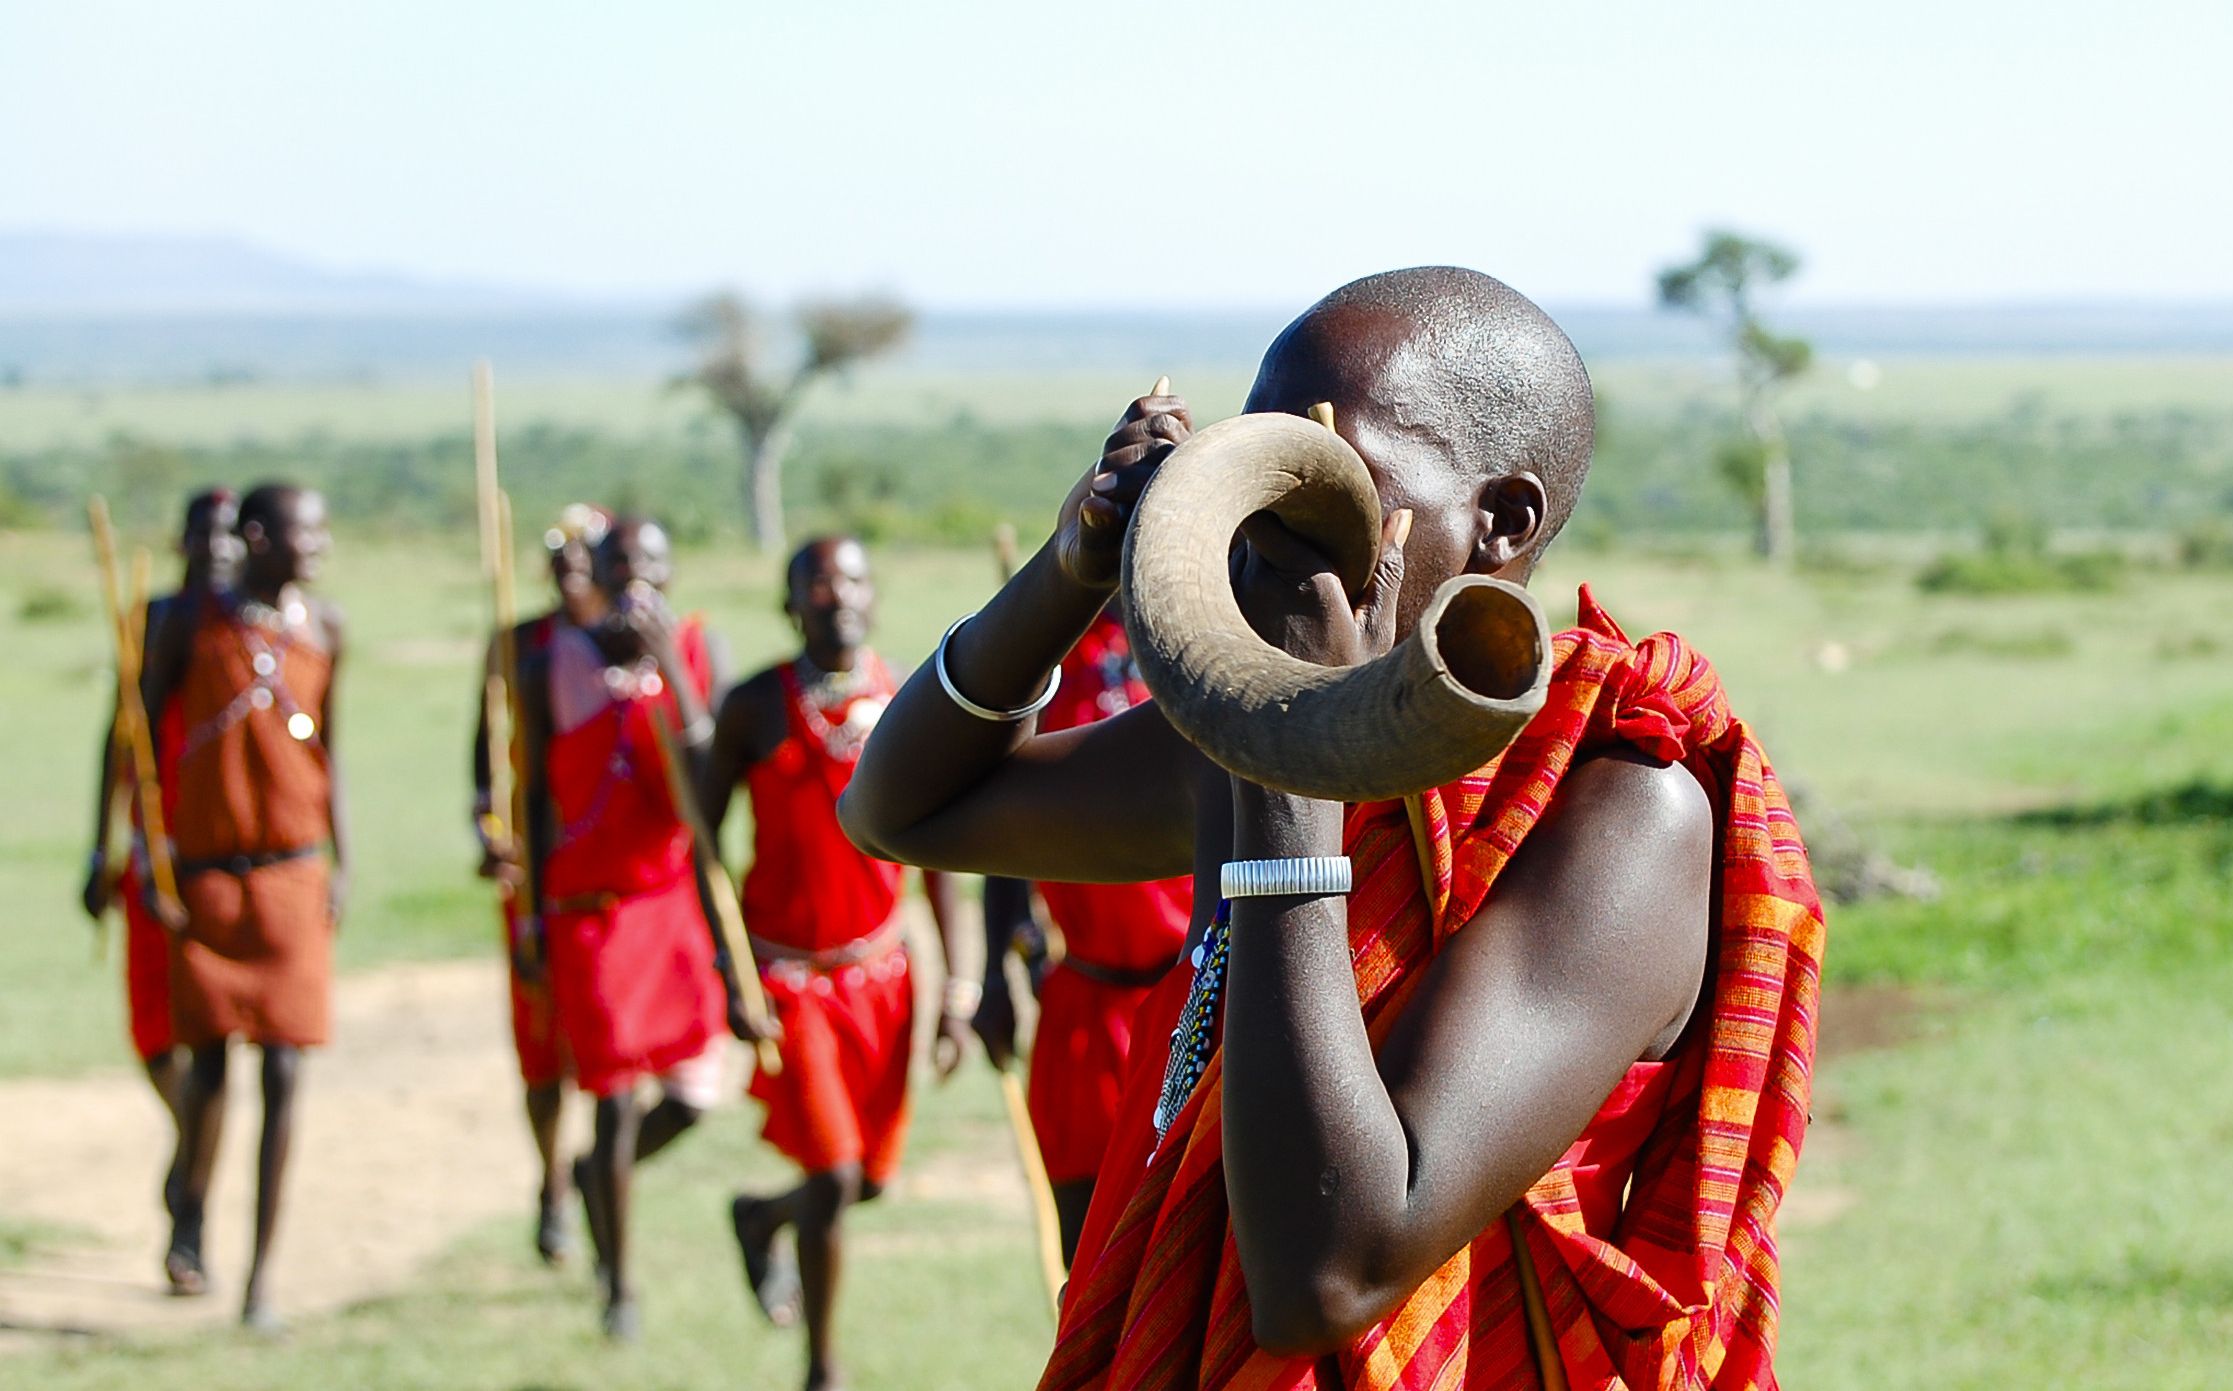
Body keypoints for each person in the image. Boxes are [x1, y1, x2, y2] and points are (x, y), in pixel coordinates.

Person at [841, 268, 1825, 1389]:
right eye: (1256, 460)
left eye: (1324, 473)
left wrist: (1287, 758)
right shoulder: (1241, 753)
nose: (1262, 516)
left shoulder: (1622, 806)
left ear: (1499, 521)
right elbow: (898, 808)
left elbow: (1328, 1272)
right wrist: (1071, 571)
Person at [698, 535, 969, 1391]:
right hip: (788, 979)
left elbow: (939, 857)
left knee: (869, 1182)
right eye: (815, 582)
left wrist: (958, 990)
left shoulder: (909, 700)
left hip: (884, 976)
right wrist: (727, 969)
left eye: (851, 578)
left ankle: (759, 1215)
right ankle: (823, 1368)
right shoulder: (753, 708)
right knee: (834, 1171)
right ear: (790, 603)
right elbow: (700, 847)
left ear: (873, 595)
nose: (835, 594)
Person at [515, 515, 742, 1340]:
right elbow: (537, 801)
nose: (634, 579)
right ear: (597, 575)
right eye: (619, 565)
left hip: (671, 901)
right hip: (590, 911)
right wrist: (536, 913)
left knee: (691, 1096)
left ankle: (590, 1179)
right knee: (610, 1098)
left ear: (670, 571)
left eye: (649, 563)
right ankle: (619, 1280)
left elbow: (710, 767)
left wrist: (668, 675)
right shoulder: (551, 662)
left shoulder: (697, 649)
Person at [147, 483, 348, 1332]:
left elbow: (334, 750)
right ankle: (191, 1204)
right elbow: (137, 738)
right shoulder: (190, 624)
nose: (318, 546)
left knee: (287, 1069)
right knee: (209, 1070)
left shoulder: (326, 628)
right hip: (207, 880)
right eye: (305, 532)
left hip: (294, 876)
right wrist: (138, 855)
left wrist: (345, 860)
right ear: (260, 538)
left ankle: (264, 1275)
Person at [971, 601, 1193, 1263]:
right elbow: (1007, 827)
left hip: (1199, 1002)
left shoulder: (1214, 635)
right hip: (1085, 1006)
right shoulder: (1042, 661)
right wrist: (994, 973)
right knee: (1087, 1254)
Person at [469, 502, 610, 1267]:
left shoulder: (620, 650)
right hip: (536, 875)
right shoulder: (518, 643)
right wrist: (491, 834)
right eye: (558, 556)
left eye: (585, 555)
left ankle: (596, 1178)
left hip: (606, 878)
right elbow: (482, 761)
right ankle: (552, 1178)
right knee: (542, 1046)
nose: (570, 570)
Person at [82, 487, 241, 1125]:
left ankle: (197, 1161)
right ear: (182, 542)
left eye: (231, 533)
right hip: (154, 848)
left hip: (224, 853)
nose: (217, 547)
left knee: (211, 1020)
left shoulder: (249, 628)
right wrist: (101, 848)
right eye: (205, 533)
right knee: (153, 1024)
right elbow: (120, 739)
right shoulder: (153, 619)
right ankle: (190, 1139)